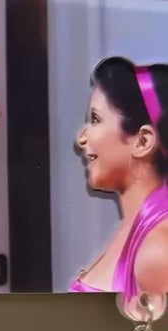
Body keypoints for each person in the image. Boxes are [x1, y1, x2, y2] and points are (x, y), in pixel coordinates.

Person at [72, 57, 168, 297]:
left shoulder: (158, 250)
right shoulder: (133, 228)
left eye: (95, 119)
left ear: (143, 141)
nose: (81, 138)